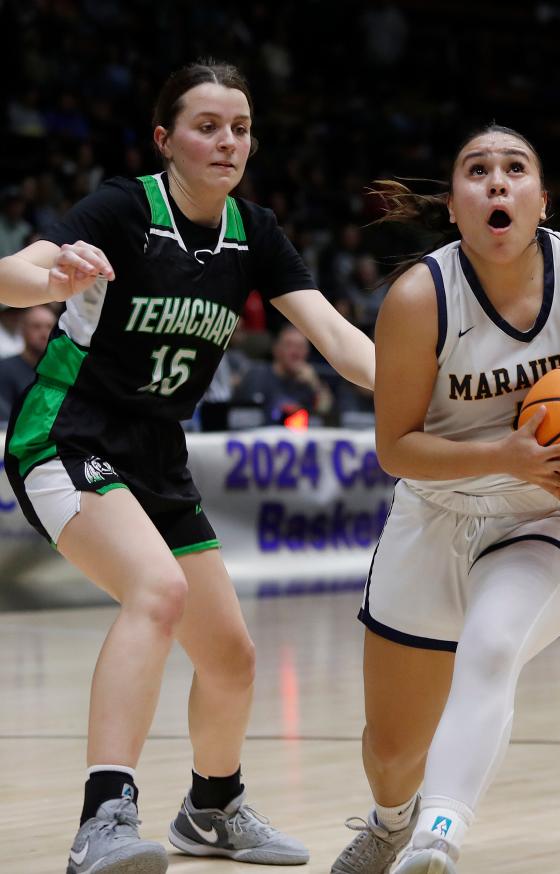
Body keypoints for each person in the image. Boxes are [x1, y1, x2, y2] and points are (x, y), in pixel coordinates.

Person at [0, 60, 375, 874]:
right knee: (157, 591)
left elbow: (342, 346)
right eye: (208, 126)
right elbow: (16, 273)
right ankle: (103, 819)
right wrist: (51, 271)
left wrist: (438, 391)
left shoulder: (257, 232)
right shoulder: (124, 208)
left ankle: (211, 807)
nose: (227, 141)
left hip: (158, 456)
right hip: (66, 434)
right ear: (166, 139)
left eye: (240, 128)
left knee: (233, 655)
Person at [330, 124, 560, 874]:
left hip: (546, 516)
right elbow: (396, 449)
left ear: (542, 201)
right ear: (456, 209)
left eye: (515, 169)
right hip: (435, 511)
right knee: (391, 752)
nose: (497, 182)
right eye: (477, 171)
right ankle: (394, 820)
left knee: (492, 646)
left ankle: (438, 839)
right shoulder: (419, 296)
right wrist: (503, 453)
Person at [232, 323, 337, 425]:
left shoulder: (309, 382)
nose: (295, 352)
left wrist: (315, 384)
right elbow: (240, 415)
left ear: (307, 352)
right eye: (289, 345)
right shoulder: (258, 374)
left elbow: (325, 413)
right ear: (276, 349)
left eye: (300, 347)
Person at [0, 303, 57, 421]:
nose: (44, 333)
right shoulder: (5, 369)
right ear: (22, 329)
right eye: (36, 326)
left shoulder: (61, 371)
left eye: (49, 327)